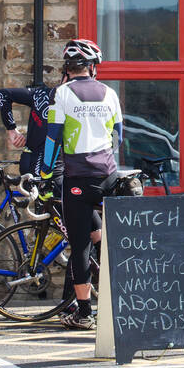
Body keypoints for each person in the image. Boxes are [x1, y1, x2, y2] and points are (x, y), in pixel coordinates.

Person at [41, 38, 123, 331]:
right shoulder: (110, 93)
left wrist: (47, 175)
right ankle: (124, 289)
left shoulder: (61, 94)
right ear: (92, 67)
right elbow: (118, 137)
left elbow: (53, 138)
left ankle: (85, 313)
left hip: (77, 176)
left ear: (68, 67)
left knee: (79, 248)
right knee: (97, 230)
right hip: (108, 174)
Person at [0, 77, 56, 175]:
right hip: (43, 162)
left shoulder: (41, 93)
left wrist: (11, 129)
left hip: (32, 159)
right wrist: (11, 129)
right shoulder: (43, 93)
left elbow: (3, 94)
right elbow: (3, 94)